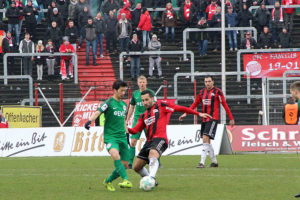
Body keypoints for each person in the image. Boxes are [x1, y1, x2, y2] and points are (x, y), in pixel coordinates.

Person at [127, 90, 211, 184]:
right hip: (149, 142)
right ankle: (151, 180)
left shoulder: (161, 106)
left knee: (153, 154)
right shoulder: (143, 116)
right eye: (143, 100)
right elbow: (135, 130)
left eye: (146, 99)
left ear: (152, 98)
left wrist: (198, 114)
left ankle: (151, 179)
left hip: (160, 139)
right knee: (136, 167)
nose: (145, 102)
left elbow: (179, 108)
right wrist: (126, 128)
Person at [84, 80, 133, 192]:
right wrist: (89, 121)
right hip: (111, 137)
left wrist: (127, 136)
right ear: (115, 90)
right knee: (115, 155)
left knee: (124, 165)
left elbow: (124, 122)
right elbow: (98, 112)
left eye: (125, 91)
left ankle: (108, 181)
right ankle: (126, 179)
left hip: (122, 137)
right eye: (121, 91)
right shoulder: (109, 102)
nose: (123, 93)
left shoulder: (124, 105)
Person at [179, 76, 235, 168]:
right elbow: (195, 103)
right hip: (204, 119)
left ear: (213, 82)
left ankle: (202, 163)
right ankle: (214, 162)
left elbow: (224, 104)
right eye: (206, 81)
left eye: (209, 81)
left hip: (213, 119)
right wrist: (186, 113)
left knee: (205, 138)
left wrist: (231, 118)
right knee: (207, 141)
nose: (207, 83)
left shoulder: (218, 92)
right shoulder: (202, 92)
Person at [126, 76, 156, 168]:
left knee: (153, 141)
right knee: (133, 141)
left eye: (143, 82)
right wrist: (127, 119)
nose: (142, 84)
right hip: (137, 121)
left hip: (149, 120)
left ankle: (156, 161)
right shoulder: (135, 94)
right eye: (140, 82)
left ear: (146, 82)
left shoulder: (151, 93)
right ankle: (130, 163)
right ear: (138, 83)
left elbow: (155, 105)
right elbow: (131, 107)